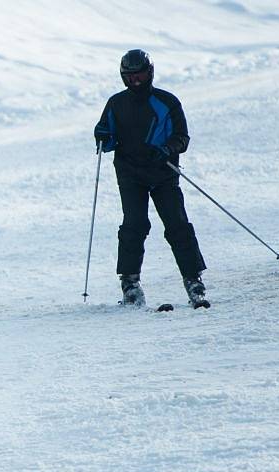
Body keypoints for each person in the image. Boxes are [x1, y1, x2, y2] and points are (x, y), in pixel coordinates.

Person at [93, 49, 208, 308]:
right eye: (130, 77)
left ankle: (194, 280)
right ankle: (130, 284)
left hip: (163, 172)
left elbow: (182, 138)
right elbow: (108, 139)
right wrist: (101, 135)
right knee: (134, 225)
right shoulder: (116, 103)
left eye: (140, 75)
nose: (136, 81)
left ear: (150, 73)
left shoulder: (167, 102)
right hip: (130, 173)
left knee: (177, 224)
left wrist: (167, 149)